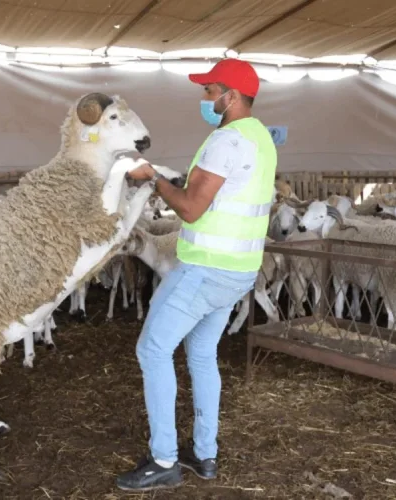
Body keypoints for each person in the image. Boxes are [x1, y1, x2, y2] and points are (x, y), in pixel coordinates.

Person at [116, 58, 278, 491]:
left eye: (210, 91)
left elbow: (189, 208)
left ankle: (164, 457)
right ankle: (204, 454)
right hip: (239, 270)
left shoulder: (224, 141)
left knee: (152, 349)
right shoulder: (260, 137)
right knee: (202, 354)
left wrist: (152, 179)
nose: (204, 99)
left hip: (208, 269)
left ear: (232, 96)